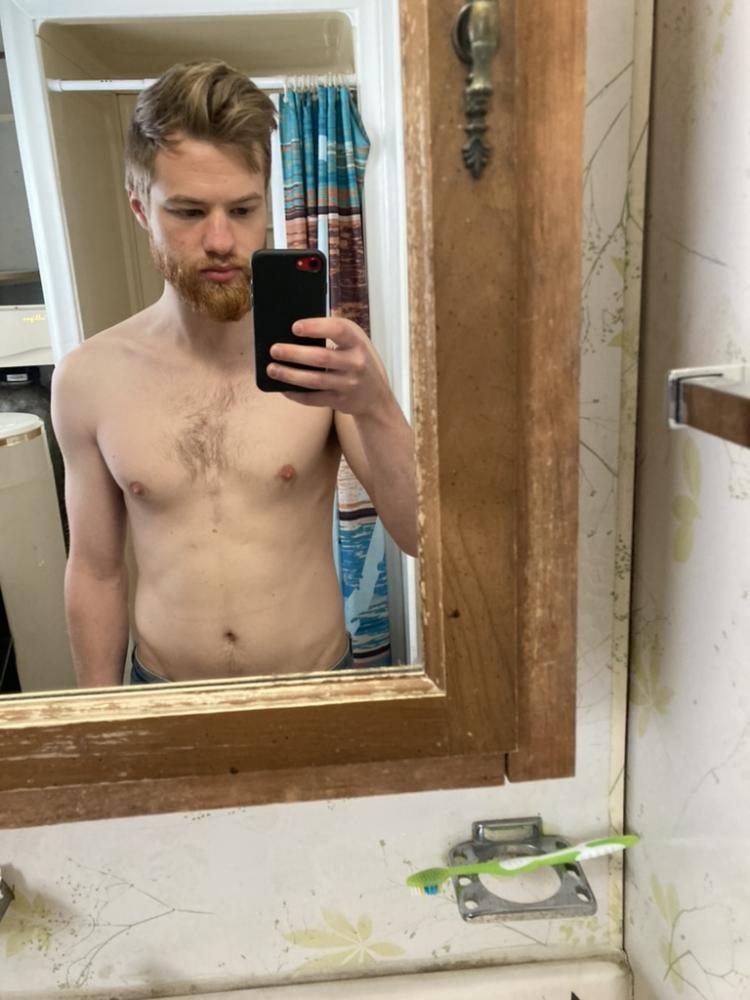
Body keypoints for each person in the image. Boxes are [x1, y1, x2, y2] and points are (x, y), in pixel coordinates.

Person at [51, 60, 417, 687]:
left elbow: (419, 536)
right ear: (141, 209)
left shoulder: (327, 360)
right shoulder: (88, 379)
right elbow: (95, 571)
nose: (221, 240)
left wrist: (377, 405)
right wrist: (98, 719)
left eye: (243, 209)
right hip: (166, 694)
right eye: (189, 212)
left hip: (312, 689)